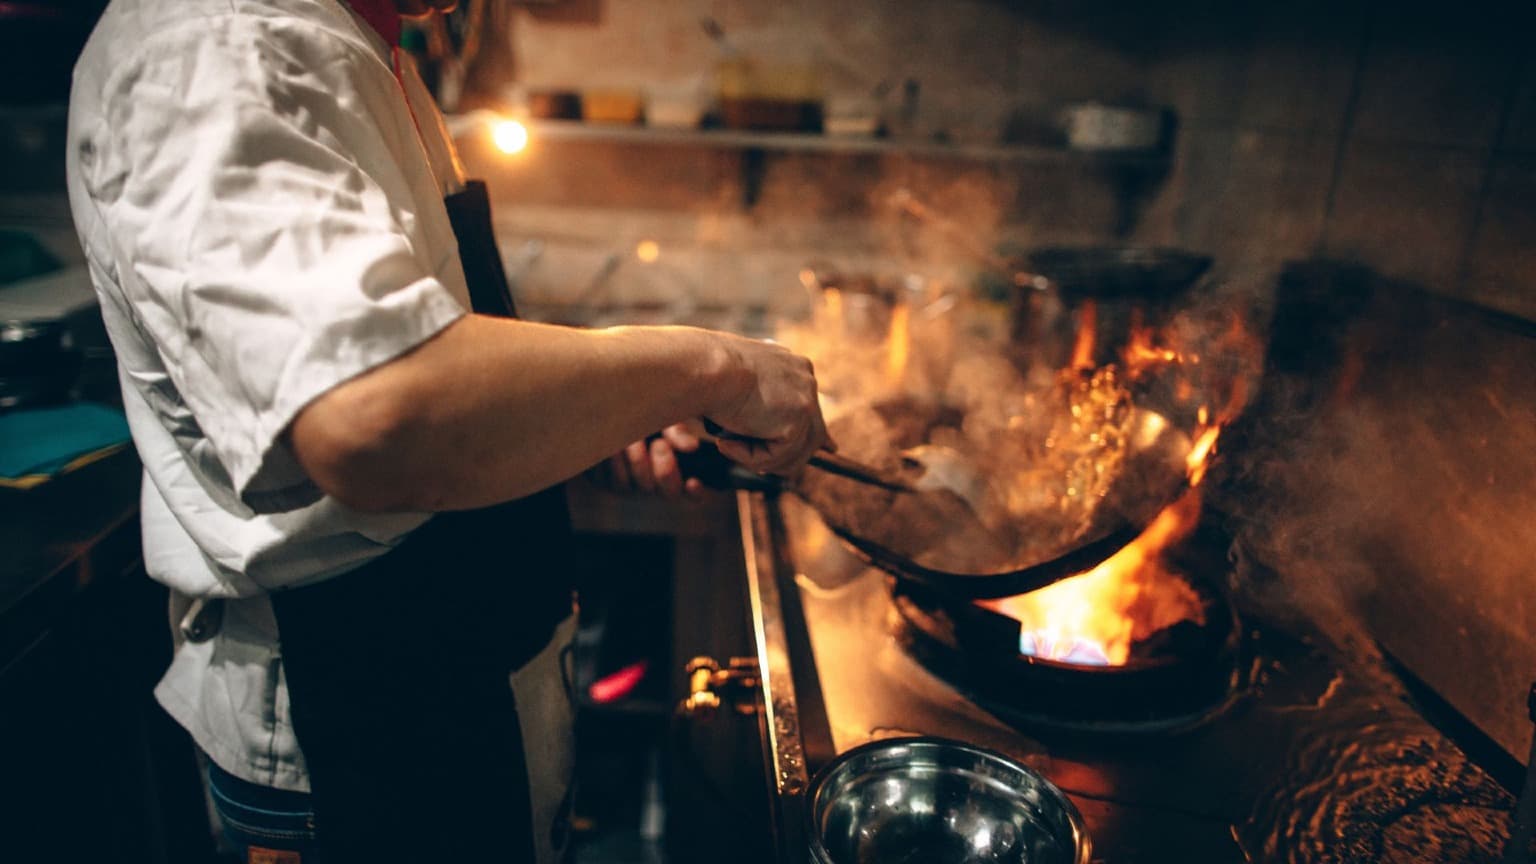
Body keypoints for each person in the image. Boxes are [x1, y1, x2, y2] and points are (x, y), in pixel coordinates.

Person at [65, 0, 830, 861]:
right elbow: (376, 414)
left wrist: (594, 422)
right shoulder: (217, 42)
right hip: (355, 723)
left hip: (453, 679)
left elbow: (428, 372)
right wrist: (712, 367)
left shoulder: (357, 41)